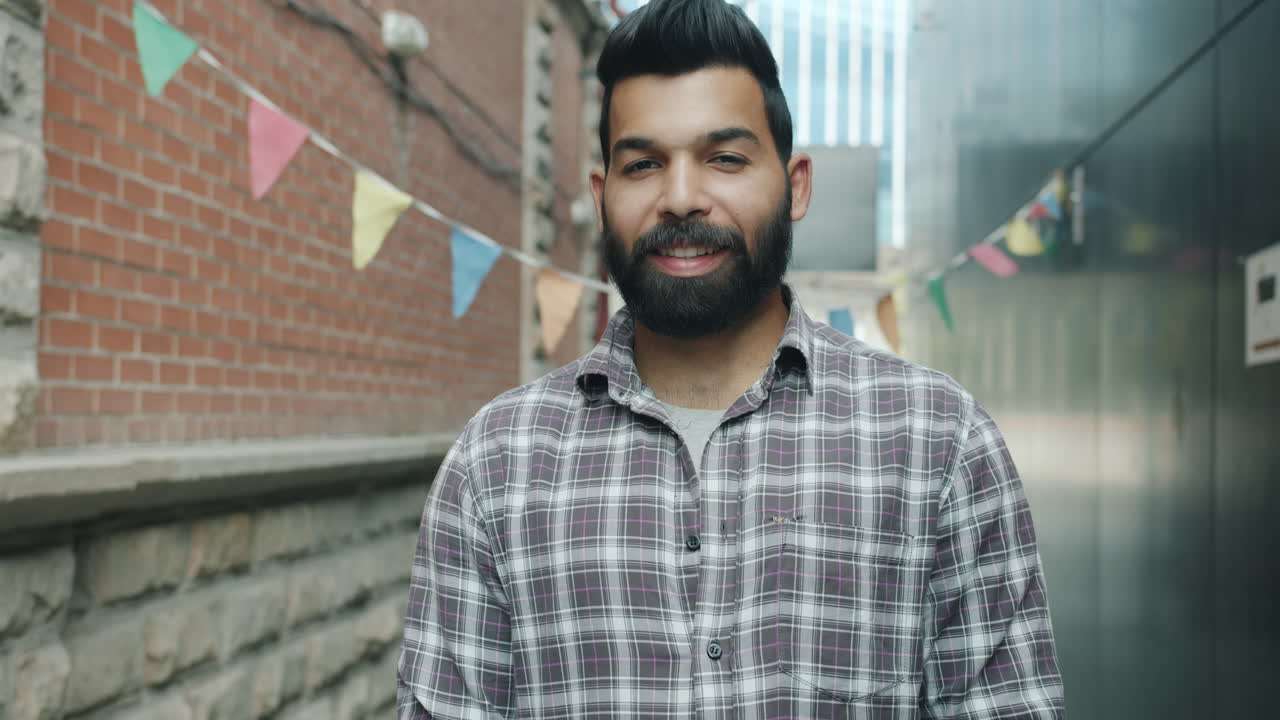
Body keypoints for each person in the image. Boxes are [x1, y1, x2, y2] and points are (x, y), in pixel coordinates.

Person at [397, 0, 1065, 717]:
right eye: (645, 164)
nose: (681, 198)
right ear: (601, 195)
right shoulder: (497, 465)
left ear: (796, 183)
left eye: (725, 158)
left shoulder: (938, 443)